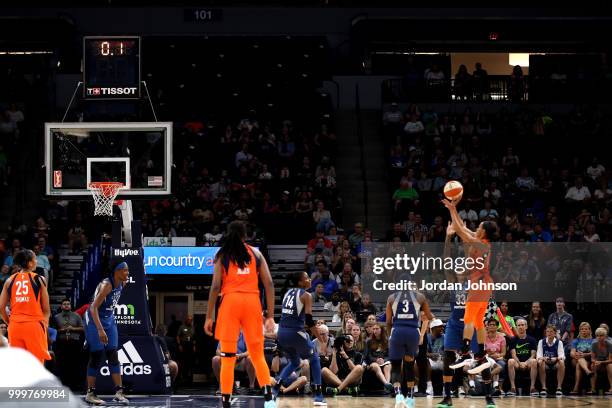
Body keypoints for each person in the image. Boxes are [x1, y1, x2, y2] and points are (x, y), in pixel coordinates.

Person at [204, 221, 276, 408]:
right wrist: (269, 316)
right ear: (246, 235)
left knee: (227, 357)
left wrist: (209, 316)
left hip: (230, 303)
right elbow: (268, 284)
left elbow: (215, 287)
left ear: (228, 234)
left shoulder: (222, 255)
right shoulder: (256, 253)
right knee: (257, 354)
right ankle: (268, 398)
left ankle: (226, 400)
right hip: (252, 303)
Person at [442, 193, 497, 408]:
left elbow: (464, 233)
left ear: (483, 230)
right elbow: (462, 233)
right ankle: (478, 352)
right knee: (476, 323)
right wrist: (453, 219)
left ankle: (467, 355)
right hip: (479, 292)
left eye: (480, 226)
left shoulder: (481, 245)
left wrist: (453, 211)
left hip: (479, 288)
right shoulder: (479, 246)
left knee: (471, 322)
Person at [437, 221, 480, 408]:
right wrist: (448, 236)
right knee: (448, 356)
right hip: (455, 324)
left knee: (481, 357)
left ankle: (488, 395)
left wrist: (462, 234)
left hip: (472, 324)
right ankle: (448, 395)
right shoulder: (453, 281)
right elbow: (446, 258)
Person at [274, 271, 326, 405]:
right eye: (307, 278)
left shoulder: (287, 293)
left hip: (281, 333)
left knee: (295, 362)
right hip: (294, 333)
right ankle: (318, 395)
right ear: (300, 282)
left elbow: (292, 316)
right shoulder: (306, 295)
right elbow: (309, 321)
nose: (310, 280)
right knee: (314, 358)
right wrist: (321, 340)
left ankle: (275, 386)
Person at [83, 260, 130, 405]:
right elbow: (93, 308)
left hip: (108, 319)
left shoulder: (122, 283)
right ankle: (90, 393)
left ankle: (119, 392)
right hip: (93, 319)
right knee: (97, 355)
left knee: (113, 354)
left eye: (128, 270)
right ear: (116, 271)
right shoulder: (107, 285)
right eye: (125, 270)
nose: (127, 273)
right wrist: (100, 329)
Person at [386, 274, 433, 408]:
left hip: (398, 331)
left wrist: (390, 336)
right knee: (409, 365)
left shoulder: (391, 297)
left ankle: (399, 395)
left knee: (395, 366)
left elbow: (388, 321)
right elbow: (428, 316)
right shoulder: (420, 297)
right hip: (413, 332)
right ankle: (411, 398)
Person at [0, 249, 51, 364]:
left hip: (15, 326)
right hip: (34, 325)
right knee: (37, 364)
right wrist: (45, 325)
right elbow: (46, 309)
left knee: (19, 365)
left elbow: (1, 307)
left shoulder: (9, 280)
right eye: (35, 259)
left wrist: (10, 322)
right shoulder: (39, 279)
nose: (36, 261)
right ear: (30, 263)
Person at [54, 298, 85, 390]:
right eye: (64, 304)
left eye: (68, 304)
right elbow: (53, 330)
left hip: (74, 343)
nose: (66, 305)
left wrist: (73, 329)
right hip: (61, 343)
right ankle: (63, 384)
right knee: (63, 364)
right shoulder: (56, 317)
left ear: (70, 306)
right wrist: (61, 330)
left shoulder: (77, 316)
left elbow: (83, 328)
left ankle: (75, 385)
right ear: (61, 306)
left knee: (75, 364)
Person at [506, 319, 537, 397]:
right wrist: (520, 363)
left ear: (526, 326)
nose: (520, 327)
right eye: (518, 325)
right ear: (516, 327)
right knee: (510, 361)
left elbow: (533, 355)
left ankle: (532, 388)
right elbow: (513, 354)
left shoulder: (532, 339)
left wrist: (525, 363)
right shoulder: (513, 339)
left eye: (522, 325)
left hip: (528, 362)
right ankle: (513, 388)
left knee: (534, 361)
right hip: (517, 363)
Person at [536, 325, 565, 397]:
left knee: (561, 362)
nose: (549, 333)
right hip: (545, 363)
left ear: (555, 333)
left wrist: (556, 358)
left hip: (555, 363)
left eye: (551, 331)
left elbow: (562, 356)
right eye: (547, 331)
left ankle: (559, 388)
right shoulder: (541, 342)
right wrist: (543, 358)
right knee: (540, 362)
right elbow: (538, 356)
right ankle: (543, 387)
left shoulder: (559, 342)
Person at [591, 327, 612, 395]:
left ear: (605, 336)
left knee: (610, 366)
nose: (599, 337)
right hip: (598, 363)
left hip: (607, 363)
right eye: (597, 336)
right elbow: (592, 358)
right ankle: (593, 388)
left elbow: (610, 360)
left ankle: (611, 388)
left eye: (601, 335)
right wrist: (595, 362)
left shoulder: (609, 345)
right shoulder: (594, 344)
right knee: (593, 365)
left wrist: (601, 362)